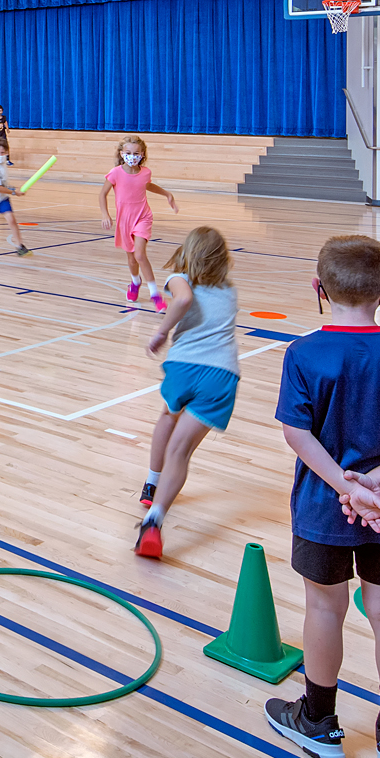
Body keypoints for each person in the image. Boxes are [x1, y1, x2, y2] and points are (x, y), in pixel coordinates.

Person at [267, 234, 380, 758]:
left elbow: (297, 433)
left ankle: (318, 721)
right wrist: (377, 484)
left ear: (318, 289)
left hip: (324, 506)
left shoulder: (303, 353)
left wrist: (347, 489)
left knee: (324, 608)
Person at [134, 225, 240, 560]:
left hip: (185, 368)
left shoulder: (180, 278)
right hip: (222, 376)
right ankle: (154, 521)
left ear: (188, 252)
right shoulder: (229, 290)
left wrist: (162, 331)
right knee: (180, 452)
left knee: (168, 415)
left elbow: (183, 298)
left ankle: (151, 484)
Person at [98, 136, 177, 311]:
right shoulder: (115, 173)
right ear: (121, 153)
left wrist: (166, 194)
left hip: (143, 216)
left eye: (136, 153)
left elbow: (146, 185)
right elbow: (102, 194)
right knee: (132, 259)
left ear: (142, 155)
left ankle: (155, 295)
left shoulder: (145, 172)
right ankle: (135, 282)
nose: (132, 156)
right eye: (128, 153)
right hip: (124, 220)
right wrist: (105, 214)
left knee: (140, 255)